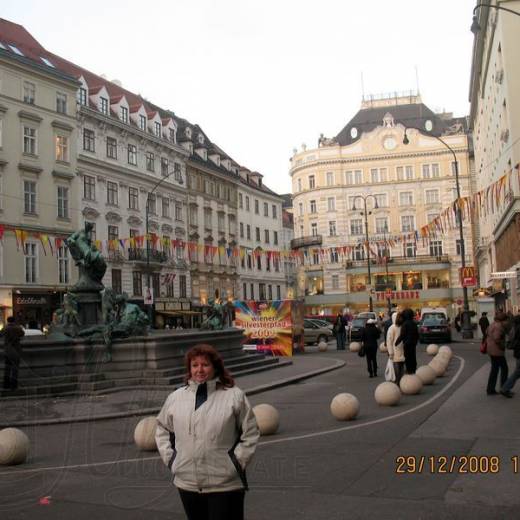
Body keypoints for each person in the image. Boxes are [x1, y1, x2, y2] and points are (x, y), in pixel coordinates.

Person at [156, 344, 259, 520]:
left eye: (205, 364)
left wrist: (236, 462)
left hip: (224, 483)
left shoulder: (234, 396)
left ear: (215, 367)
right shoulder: (176, 397)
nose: (200, 370)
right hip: (187, 482)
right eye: (195, 365)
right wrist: (172, 460)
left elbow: (250, 433)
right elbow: (162, 429)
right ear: (189, 369)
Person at [485, 312, 509, 395]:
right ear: (503, 320)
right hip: (497, 351)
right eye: (506, 320)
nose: (507, 322)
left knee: (494, 370)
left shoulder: (492, 324)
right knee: (504, 369)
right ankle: (504, 388)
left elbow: (487, 333)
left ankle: (490, 389)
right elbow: (497, 338)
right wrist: (503, 345)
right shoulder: (499, 326)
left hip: (491, 350)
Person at [2, 316, 25, 390]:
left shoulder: (5, 328)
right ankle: (14, 385)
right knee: (15, 368)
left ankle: (6, 384)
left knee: (7, 368)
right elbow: (22, 334)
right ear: (14, 321)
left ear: (7, 321)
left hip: (7, 350)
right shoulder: (18, 328)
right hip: (16, 350)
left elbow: (1, 335)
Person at [394, 308, 419, 374]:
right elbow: (417, 334)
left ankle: (409, 370)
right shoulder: (414, 323)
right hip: (413, 343)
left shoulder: (405, 324)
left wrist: (396, 342)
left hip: (407, 344)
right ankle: (413, 370)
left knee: (408, 358)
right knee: (413, 357)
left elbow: (402, 335)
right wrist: (416, 341)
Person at [500, 315, 520, 397]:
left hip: (518, 352)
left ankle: (505, 388)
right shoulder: (519, 328)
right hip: (519, 352)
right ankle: (504, 389)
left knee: (517, 372)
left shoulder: (515, 327)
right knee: (517, 372)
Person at [386, 312, 405, 384]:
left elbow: (389, 341)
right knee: (397, 369)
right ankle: (398, 383)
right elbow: (389, 341)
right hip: (396, 352)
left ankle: (399, 383)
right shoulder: (392, 328)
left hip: (400, 351)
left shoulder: (401, 327)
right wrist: (390, 352)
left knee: (400, 369)